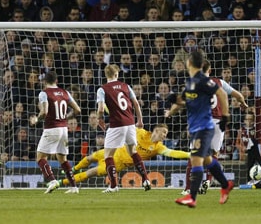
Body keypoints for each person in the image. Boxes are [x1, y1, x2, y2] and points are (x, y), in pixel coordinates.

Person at [165, 51, 234, 208]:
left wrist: (225, 117)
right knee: (208, 160)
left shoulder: (203, 80)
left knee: (195, 159)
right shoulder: (191, 82)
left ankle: (192, 196)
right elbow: (186, 101)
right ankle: (225, 184)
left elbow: (222, 94)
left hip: (204, 127)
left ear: (189, 63)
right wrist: (174, 101)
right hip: (195, 127)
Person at [182, 60, 248, 195]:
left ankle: (188, 188)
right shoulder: (219, 82)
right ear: (210, 70)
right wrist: (243, 103)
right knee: (215, 154)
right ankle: (209, 179)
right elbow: (238, 95)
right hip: (218, 122)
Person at [59, 124, 189, 187]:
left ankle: (62, 182)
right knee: (88, 158)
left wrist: (189, 155)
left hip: (118, 164)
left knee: (90, 173)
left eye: (166, 133)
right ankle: (73, 170)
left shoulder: (158, 147)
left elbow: (173, 153)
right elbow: (125, 124)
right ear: (156, 130)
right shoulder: (140, 132)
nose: (165, 135)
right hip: (112, 151)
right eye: (164, 132)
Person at [96, 64, 151, 193]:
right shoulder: (126, 86)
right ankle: (146, 179)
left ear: (106, 75)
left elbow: (100, 109)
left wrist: (100, 119)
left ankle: (114, 186)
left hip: (116, 124)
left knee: (108, 155)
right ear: (117, 74)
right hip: (130, 123)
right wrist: (140, 120)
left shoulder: (102, 89)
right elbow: (136, 104)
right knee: (133, 151)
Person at [34, 71, 81, 194]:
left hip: (51, 128)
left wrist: (36, 119)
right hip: (64, 129)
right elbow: (77, 109)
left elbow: (44, 112)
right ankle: (74, 186)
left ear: (44, 81)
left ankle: (52, 180)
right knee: (62, 158)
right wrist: (66, 117)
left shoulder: (44, 93)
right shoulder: (65, 92)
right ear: (57, 81)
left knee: (40, 157)